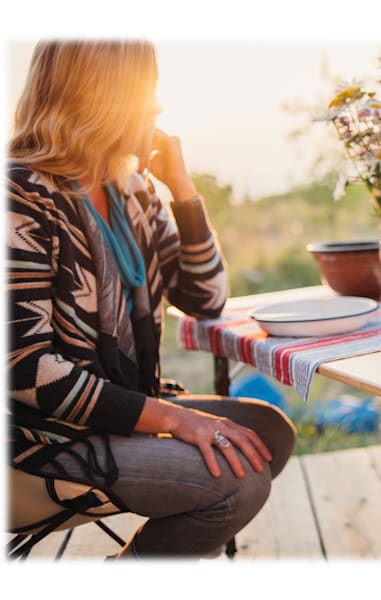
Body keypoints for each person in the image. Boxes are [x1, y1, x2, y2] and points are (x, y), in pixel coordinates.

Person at [6, 40, 296, 558]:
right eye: (149, 91)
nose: (158, 108)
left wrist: (182, 190)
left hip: (122, 414)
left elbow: (206, 298)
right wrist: (173, 418)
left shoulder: (132, 190)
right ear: (104, 97)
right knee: (240, 480)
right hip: (41, 444)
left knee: (270, 431)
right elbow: (23, 368)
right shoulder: (21, 196)